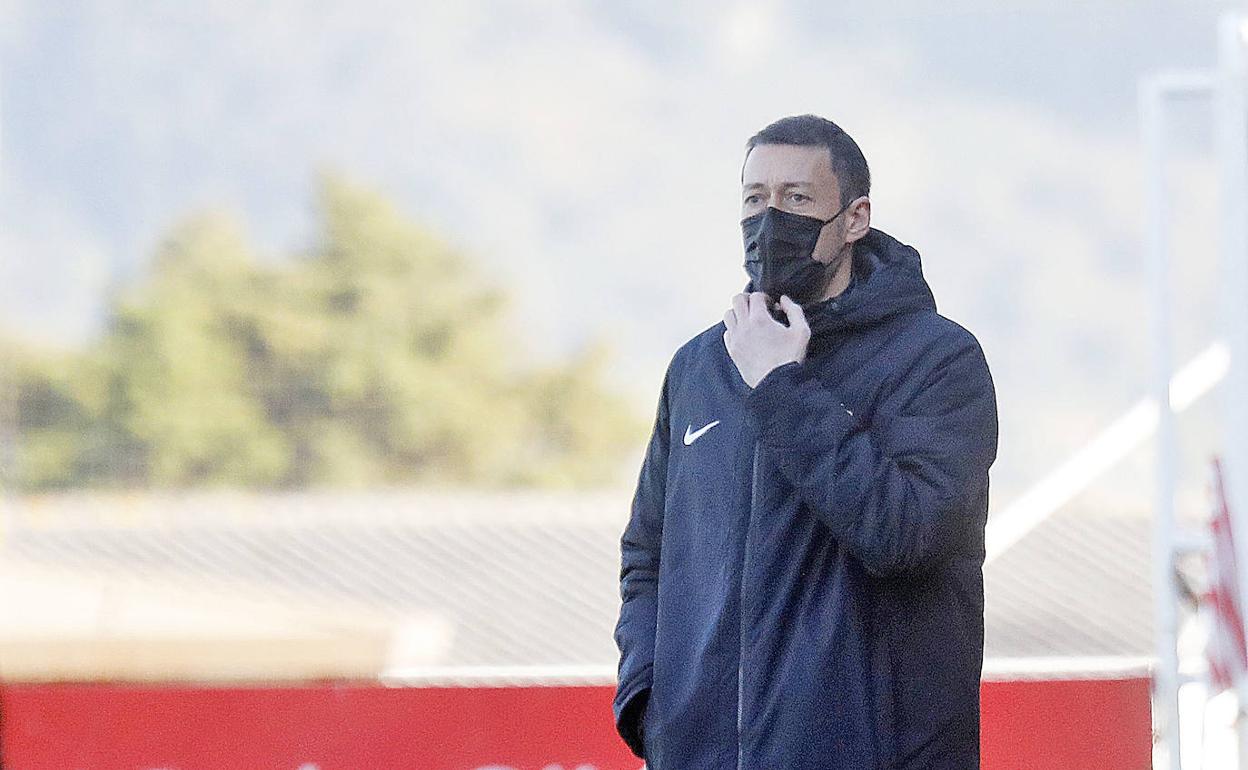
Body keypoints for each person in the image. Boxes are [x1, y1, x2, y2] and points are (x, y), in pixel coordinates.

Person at [611, 114, 999, 769]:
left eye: (796, 199)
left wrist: (780, 384)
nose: (770, 220)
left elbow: (905, 535)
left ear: (854, 219)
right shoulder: (701, 367)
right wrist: (652, 703)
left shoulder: (936, 360)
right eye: (755, 199)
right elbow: (649, 557)